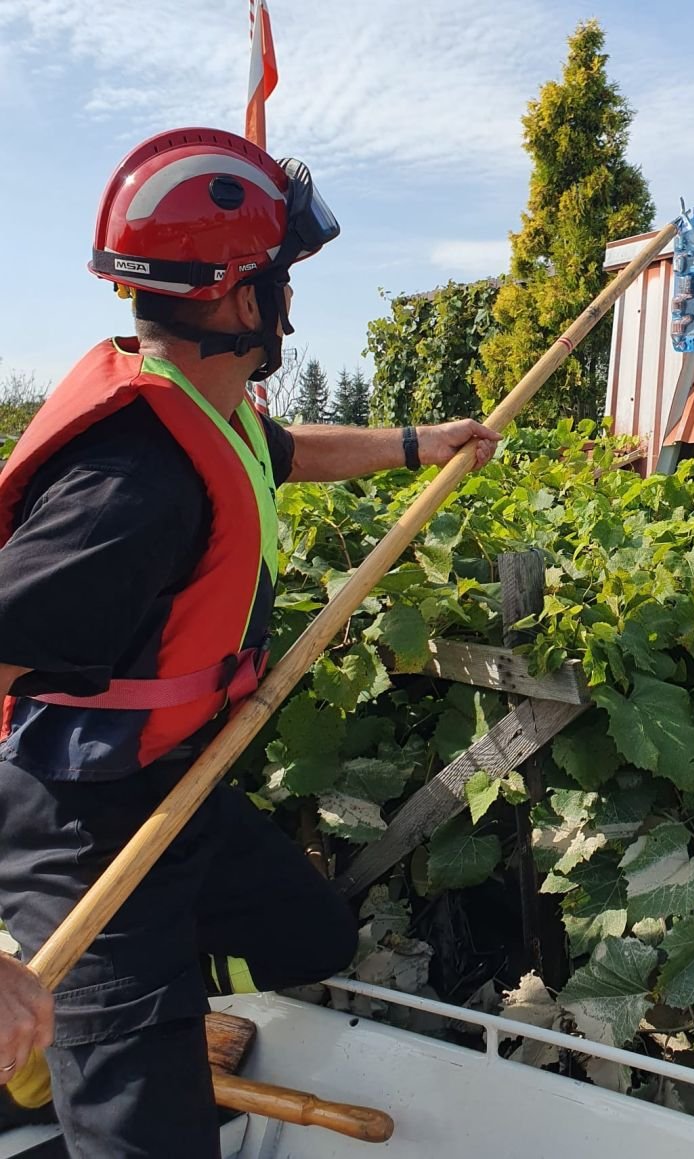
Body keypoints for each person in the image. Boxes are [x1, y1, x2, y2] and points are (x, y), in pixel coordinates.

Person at [0, 127, 499, 1157]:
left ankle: (167, 1009)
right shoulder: (128, 493)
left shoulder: (199, 405)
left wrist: (421, 445)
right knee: (150, 1138)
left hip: (163, 786)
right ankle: (119, 1031)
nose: (287, 301)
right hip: (77, 826)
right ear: (238, 300)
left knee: (306, 933)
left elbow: (284, 450)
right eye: (280, 279)